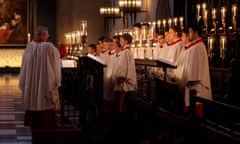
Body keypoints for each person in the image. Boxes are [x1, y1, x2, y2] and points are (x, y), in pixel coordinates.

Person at [19, 26, 62, 129]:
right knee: (44, 97)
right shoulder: (49, 47)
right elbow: (56, 63)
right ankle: (45, 121)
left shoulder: (29, 47)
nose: (48, 36)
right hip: (45, 80)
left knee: (34, 95)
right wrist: (57, 79)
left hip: (32, 80)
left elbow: (24, 65)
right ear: (43, 35)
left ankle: (34, 120)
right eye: (47, 34)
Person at [175, 23, 212, 109]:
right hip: (192, 82)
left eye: (191, 32)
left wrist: (190, 77)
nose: (189, 34)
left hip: (197, 83)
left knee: (197, 104)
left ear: (196, 33)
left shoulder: (198, 47)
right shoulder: (194, 46)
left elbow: (197, 67)